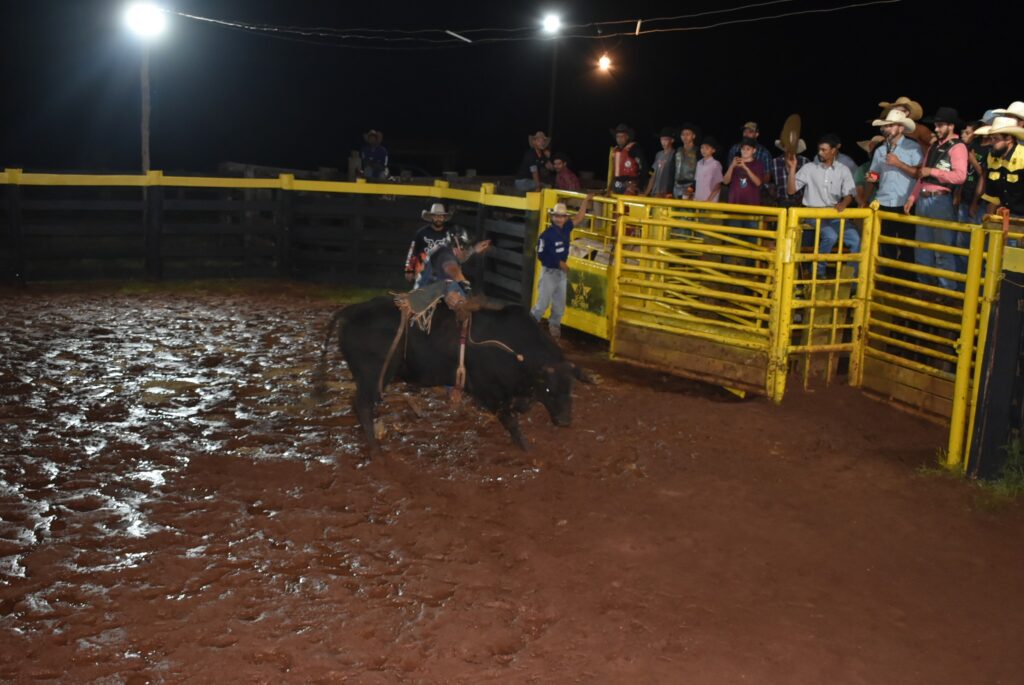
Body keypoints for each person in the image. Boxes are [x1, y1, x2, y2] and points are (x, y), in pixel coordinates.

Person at [904, 107, 968, 291]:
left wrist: (933, 171)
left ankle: (946, 290)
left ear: (951, 126)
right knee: (922, 247)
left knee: (942, 248)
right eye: (936, 125)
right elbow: (922, 175)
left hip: (941, 199)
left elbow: (960, 176)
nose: (937, 129)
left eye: (940, 125)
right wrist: (912, 197)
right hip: (926, 199)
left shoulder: (958, 147)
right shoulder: (934, 147)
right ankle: (926, 288)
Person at [787, 134, 858, 277]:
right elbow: (791, 190)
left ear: (833, 151)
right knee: (830, 236)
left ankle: (850, 277)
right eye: (819, 149)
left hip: (833, 214)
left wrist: (844, 203)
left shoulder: (843, 170)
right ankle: (818, 272)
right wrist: (792, 168)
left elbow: (850, 193)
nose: (820, 153)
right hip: (813, 214)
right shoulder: (809, 168)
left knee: (855, 239)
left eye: (824, 150)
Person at [864, 109, 923, 277]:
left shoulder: (914, 148)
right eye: (886, 126)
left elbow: (919, 174)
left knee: (906, 243)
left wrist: (899, 164)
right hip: (883, 201)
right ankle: (889, 279)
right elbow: (876, 173)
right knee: (885, 244)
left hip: (906, 201)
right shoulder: (880, 150)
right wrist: (872, 177)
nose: (887, 129)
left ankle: (907, 279)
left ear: (901, 128)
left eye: (891, 126)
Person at [531, 195, 593, 338]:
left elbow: (579, 218)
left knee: (559, 305)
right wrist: (559, 263)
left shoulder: (566, 228)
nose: (559, 219)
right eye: (557, 216)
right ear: (553, 217)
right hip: (550, 272)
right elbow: (541, 255)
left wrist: (585, 202)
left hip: (560, 273)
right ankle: (530, 327)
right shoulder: (546, 236)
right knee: (542, 304)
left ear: (565, 218)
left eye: (562, 216)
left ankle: (554, 328)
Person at [403, 203, 491, 293]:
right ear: (431, 217)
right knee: (420, 297)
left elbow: (460, 255)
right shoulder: (421, 233)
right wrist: (409, 269)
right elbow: (413, 251)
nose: (438, 218)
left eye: (441, 216)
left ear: (444, 218)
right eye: (436, 216)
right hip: (426, 270)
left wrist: (473, 249)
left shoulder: (452, 234)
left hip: (446, 273)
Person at [976, 116, 1024, 218]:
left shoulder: (1022, 156)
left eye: (996, 139)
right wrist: (989, 219)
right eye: (991, 138)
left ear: (1008, 139)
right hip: (1000, 216)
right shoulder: (991, 157)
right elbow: (992, 195)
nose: (992, 142)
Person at [770, 138, 810, 208]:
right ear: (784, 147)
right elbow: (770, 184)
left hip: (799, 204)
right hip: (780, 204)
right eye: (788, 146)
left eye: (793, 146)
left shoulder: (805, 161)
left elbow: (810, 184)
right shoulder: (774, 162)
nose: (791, 148)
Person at [609, 124, 644, 195]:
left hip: (630, 185)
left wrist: (640, 186)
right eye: (618, 137)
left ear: (627, 137)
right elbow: (613, 170)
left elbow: (643, 167)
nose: (619, 139)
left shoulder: (634, 148)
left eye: (622, 136)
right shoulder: (615, 150)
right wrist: (610, 187)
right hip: (616, 185)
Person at [855, 135, 885, 207]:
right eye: (870, 150)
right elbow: (858, 191)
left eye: (875, 149)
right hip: (871, 207)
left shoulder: (891, 165)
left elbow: (871, 183)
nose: (870, 152)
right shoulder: (862, 168)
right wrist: (863, 203)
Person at [646, 127, 677, 197]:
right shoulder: (658, 154)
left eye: (665, 140)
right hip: (655, 193)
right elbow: (653, 175)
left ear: (672, 140)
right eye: (661, 139)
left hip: (666, 194)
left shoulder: (675, 154)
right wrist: (646, 192)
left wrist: (669, 192)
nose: (663, 142)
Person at [673, 123, 700, 199]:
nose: (685, 137)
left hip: (690, 186)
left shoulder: (697, 151)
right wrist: (669, 189)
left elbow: (700, 171)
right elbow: (672, 170)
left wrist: (693, 186)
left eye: (688, 134)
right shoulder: (677, 151)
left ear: (693, 136)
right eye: (683, 134)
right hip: (676, 186)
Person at [694, 136, 724, 202]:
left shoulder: (716, 164)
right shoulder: (699, 163)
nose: (704, 150)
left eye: (707, 148)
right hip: (697, 200)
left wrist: (708, 200)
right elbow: (697, 183)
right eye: (702, 147)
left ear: (713, 150)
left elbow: (718, 186)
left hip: (709, 201)